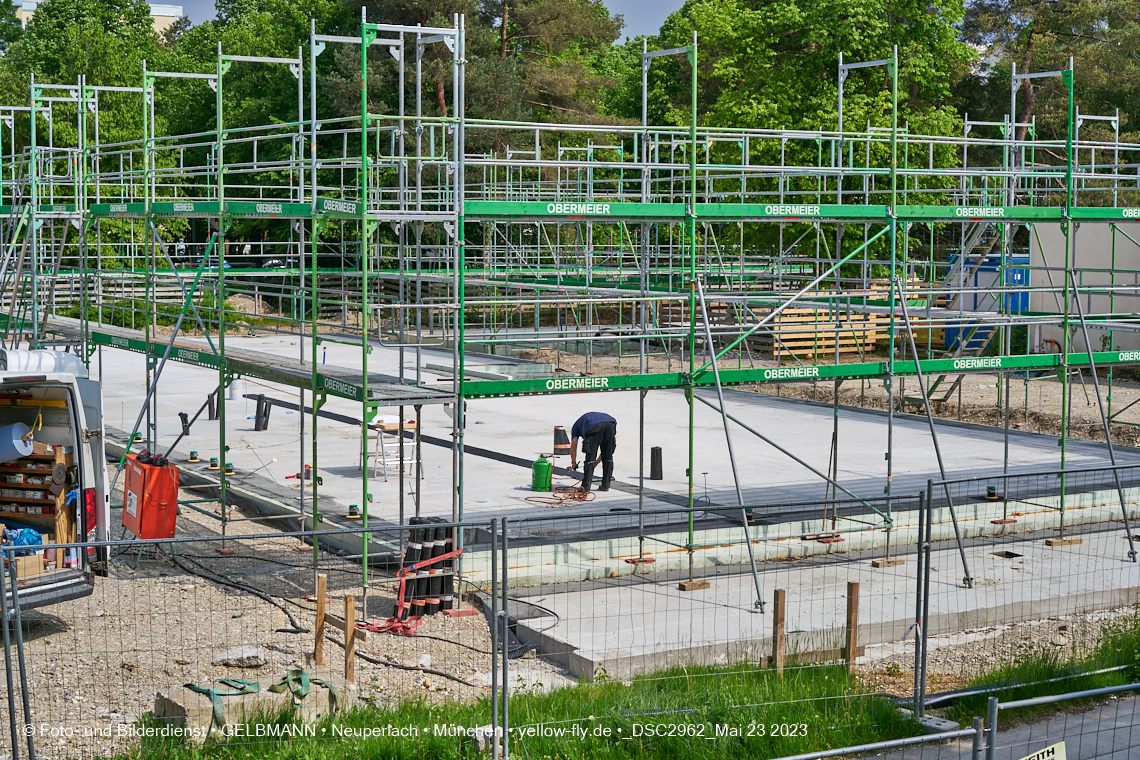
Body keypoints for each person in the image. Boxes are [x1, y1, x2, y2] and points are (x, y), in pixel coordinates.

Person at [569, 411, 616, 492]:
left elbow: (573, 446)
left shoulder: (575, 427)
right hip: (611, 424)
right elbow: (607, 452)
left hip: (593, 426)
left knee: (590, 458)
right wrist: (597, 462)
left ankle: (585, 487)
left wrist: (573, 463)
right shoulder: (582, 422)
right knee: (608, 457)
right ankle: (606, 485)